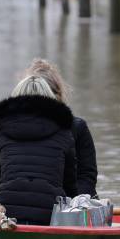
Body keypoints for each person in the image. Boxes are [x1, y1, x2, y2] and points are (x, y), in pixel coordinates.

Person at [0, 75, 77, 225]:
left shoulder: (0, 131)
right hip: (50, 214)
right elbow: (70, 184)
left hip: (6, 213)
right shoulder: (64, 132)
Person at [26, 59, 99, 197]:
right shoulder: (12, 130)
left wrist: (72, 204)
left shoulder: (77, 128)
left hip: (69, 201)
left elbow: (87, 177)